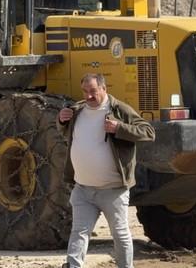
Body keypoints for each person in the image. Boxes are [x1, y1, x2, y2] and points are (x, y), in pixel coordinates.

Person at [57, 73, 155, 268]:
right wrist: (60, 120)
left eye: (93, 91)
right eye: (85, 91)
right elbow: (66, 132)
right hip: (83, 188)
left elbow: (148, 132)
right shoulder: (76, 110)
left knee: (120, 234)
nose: (89, 96)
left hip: (114, 190)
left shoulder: (119, 110)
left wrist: (119, 128)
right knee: (79, 231)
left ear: (104, 89)